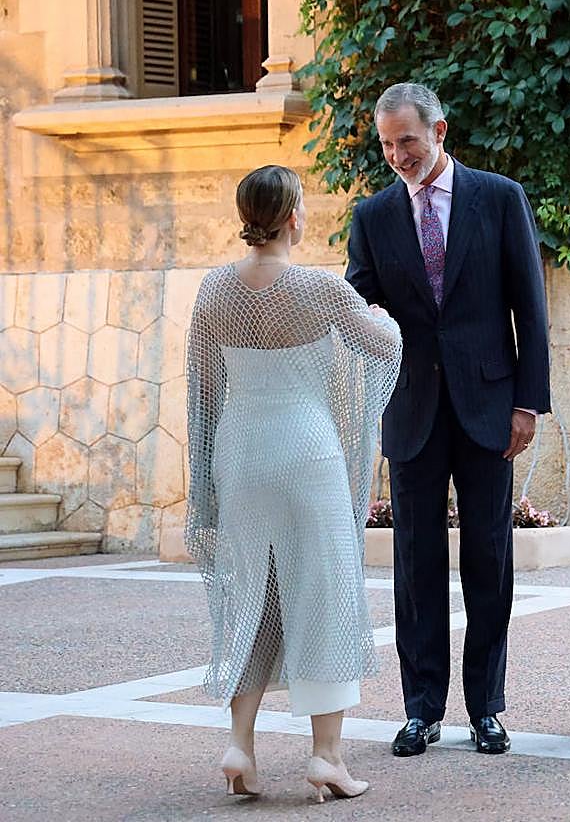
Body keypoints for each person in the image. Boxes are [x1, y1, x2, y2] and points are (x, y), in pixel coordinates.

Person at [346, 83, 551, 757]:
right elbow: (360, 299)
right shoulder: (373, 215)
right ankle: (421, 708)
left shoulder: (498, 197)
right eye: (385, 144)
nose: (397, 155)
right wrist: (361, 315)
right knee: (416, 562)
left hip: (491, 405)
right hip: (411, 409)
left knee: (489, 558)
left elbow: (531, 305)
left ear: (439, 130)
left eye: (406, 140)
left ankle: (486, 708)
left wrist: (529, 401)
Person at [185, 165, 402, 801]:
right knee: (325, 594)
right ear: (293, 216)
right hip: (309, 454)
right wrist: (382, 313)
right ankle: (326, 756)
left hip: (242, 453)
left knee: (251, 595)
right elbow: (385, 344)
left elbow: (202, 392)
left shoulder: (214, 292)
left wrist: (206, 484)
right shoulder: (319, 288)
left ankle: (240, 746)